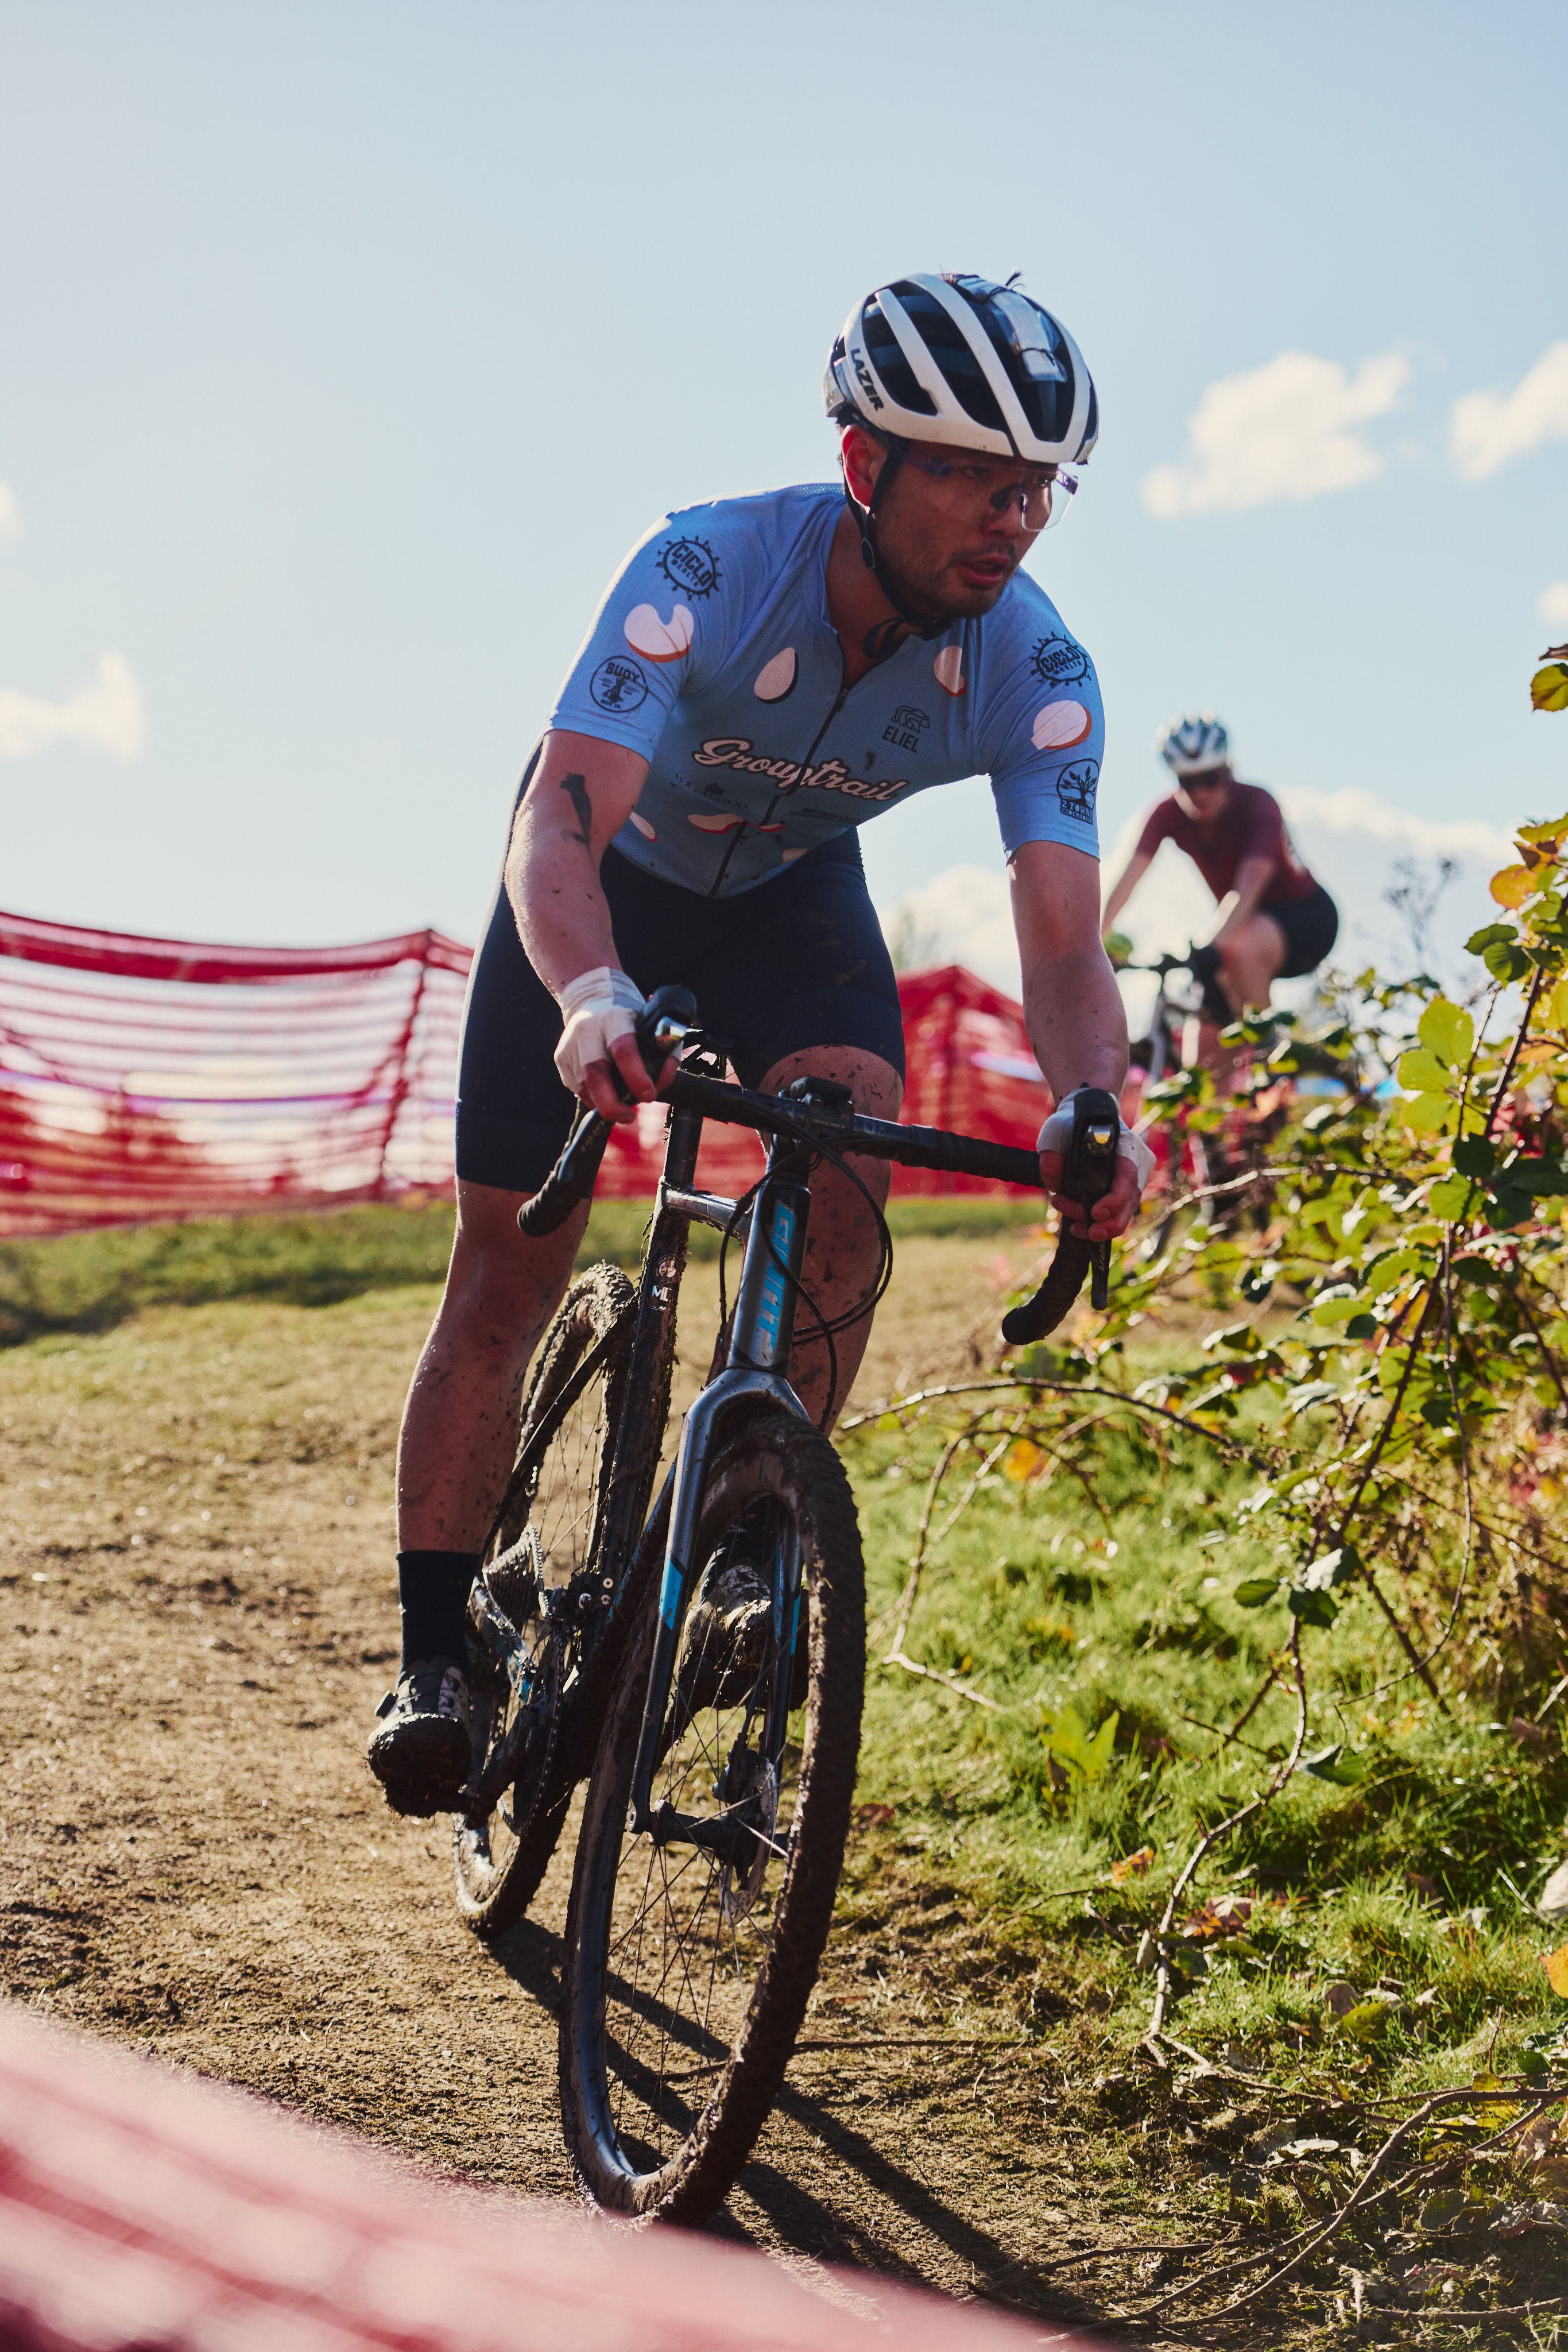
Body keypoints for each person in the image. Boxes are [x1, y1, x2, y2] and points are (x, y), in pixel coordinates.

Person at [369, 272, 1155, 1817]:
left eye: (1039, 487)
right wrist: (591, 995)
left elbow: (1066, 945)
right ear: (865, 462)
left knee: (851, 1144)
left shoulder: (1038, 670)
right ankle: (433, 1658)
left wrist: (1094, 1107)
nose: (1014, 521)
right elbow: (558, 823)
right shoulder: (705, 567)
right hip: (603, 890)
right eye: (975, 479)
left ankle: (742, 1540)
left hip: (793, 896)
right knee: (506, 1270)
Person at [1100, 713, 1338, 1030]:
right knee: (1204, 1027)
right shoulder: (1167, 813)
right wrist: (1096, 941)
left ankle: (1271, 1052)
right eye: (1188, 782)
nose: (1200, 793)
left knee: (1239, 949)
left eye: (1210, 779)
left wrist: (1209, 948)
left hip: (1304, 918)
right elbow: (1128, 878)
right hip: (1239, 922)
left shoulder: (1258, 804)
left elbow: (1249, 889)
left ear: (1228, 771)